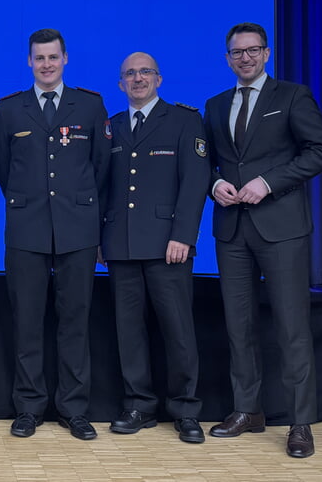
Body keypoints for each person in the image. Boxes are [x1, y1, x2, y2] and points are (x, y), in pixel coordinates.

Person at [204, 22, 322, 458]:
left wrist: (270, 182)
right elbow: (209, 163)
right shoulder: (215, 104)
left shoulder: (292, 96)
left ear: (267, 53)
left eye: (252, 50)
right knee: (239, 327)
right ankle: (248, 410)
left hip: (282, 230)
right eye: (237, 52)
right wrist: (214, 183)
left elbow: (320, 152)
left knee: (292, 328)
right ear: (227, 58)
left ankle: (301, 423)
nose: (245, 58)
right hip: (232, 231)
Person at [0, 28, 111, 439]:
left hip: (78, 231)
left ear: (65, 59)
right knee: (27, 323)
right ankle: (28, 408)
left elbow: (100, 168)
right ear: (29, 62)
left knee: (75, 323)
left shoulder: (91, 105)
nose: (46, 64)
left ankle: (74, 409)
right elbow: (4, 170)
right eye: (39, 58)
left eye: (53, 57)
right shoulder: (9, 109)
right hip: (26, 231)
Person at [100, 52, 209, 443]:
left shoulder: (183, 120)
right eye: (129, 74)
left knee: (178, 331)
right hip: (121, 244)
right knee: (129, 332)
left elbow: (195, 183)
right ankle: (138, 406)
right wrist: (100, 238)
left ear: (159, 79)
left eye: (145, 72)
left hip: (169, 246)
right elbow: (101, 187)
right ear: (120, 84)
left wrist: (183, 235)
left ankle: (185, 409)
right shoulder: (109, 127)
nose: (138, 78)